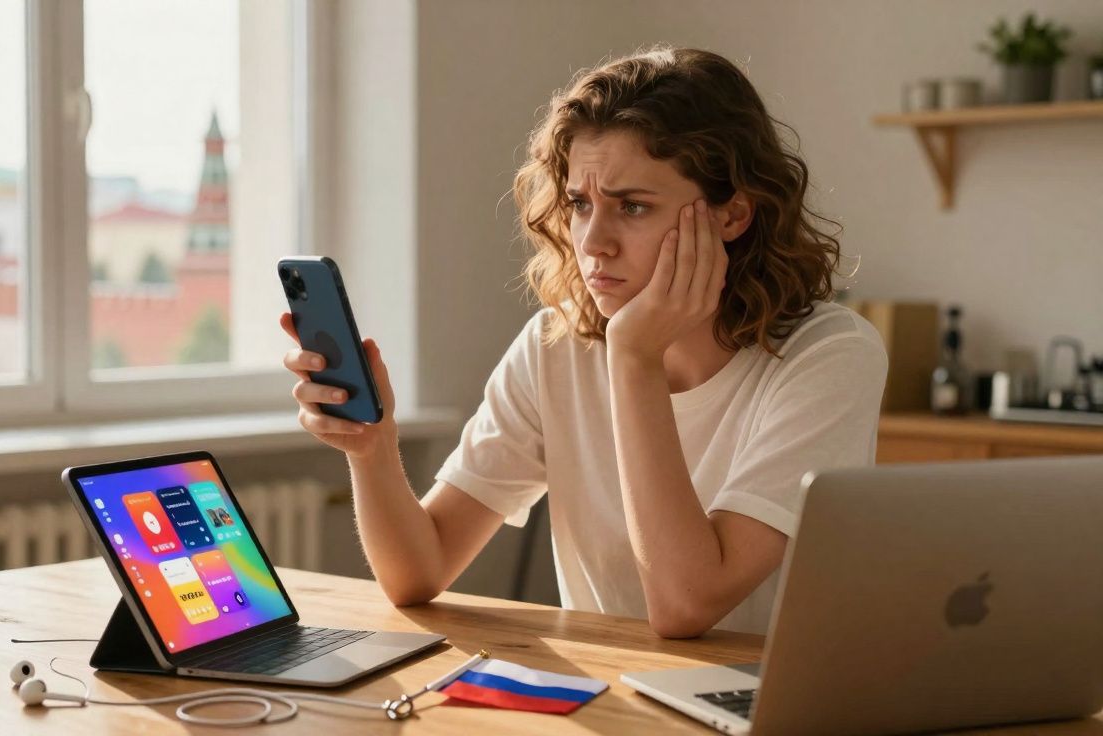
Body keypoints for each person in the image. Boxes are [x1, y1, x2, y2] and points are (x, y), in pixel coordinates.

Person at [279, 46, 887, 638]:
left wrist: (635, 357)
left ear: (732, 215)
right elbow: (419, 571)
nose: (593, 241)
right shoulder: (554, 344)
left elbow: (685, 606)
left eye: (634, 207)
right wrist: (373, 450)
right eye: (579, 203)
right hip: (610, 704)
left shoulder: (829, 356)